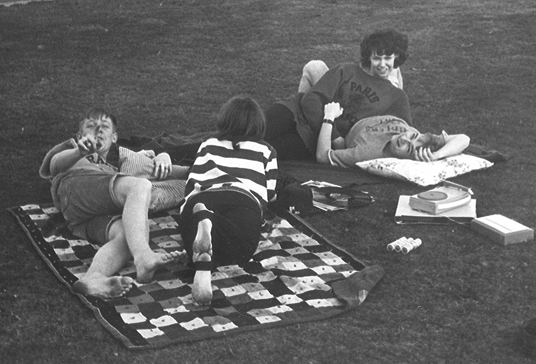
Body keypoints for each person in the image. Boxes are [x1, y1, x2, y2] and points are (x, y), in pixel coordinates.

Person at [39, 107, 190, 299]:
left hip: (79, 217)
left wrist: (164, 156)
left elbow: (175, 170)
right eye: (91, 126)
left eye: (104, 127)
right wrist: (78, 151)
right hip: (75, 187)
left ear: (115, 137)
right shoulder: (73, 149)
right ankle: (143, 256)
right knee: (139, 186)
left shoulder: (115, 164)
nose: (98, 130)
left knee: (127, 235)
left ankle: (93, 277)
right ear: (79, 135)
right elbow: (54, 165)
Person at [178, 96, 278, 305]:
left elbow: (190, 184)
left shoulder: (207, 145)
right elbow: (269, 195)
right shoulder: (266, 151)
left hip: (202, 197)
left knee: (191, 228)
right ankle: (210, 233)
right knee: (241, 246)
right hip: (242, 198)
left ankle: (204, 247)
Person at [264, 28, 411, 161]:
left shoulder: (396, 97)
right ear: (368, 57)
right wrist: (336, 137)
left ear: (396, 56)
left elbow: (405, 133)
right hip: (296, 112)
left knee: (264, 150)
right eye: (377, 58)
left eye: (387, 58)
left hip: (315, 138)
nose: (382, 64)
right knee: (253, 129)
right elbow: (311, 100)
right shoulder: (347, 71)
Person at [316, 102, 471, 167]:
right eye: (412, 136)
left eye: (408, 148)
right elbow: (464, 139)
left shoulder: (366, 153)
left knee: (314, 68)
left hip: (347, 118)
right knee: (391, 64)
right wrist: (437, 155)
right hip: (382, 105)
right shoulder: (423, 140)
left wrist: (329, 117)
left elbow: (323, 156)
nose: (404, 138)